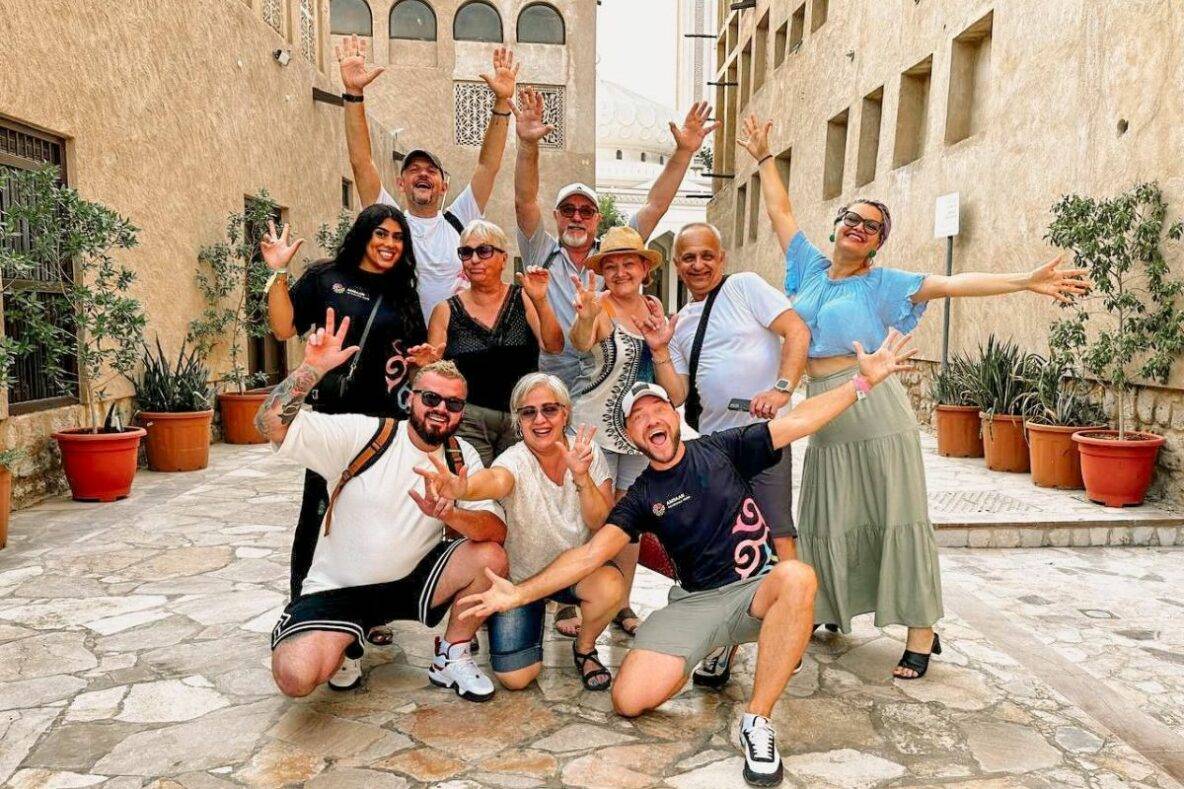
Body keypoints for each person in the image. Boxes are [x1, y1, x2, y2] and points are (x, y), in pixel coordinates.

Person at [457, 331, 918, 788]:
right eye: (637, 417)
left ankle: (756, 721)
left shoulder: (722, 448)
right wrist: (519, 592)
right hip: (695, 604)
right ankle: (714, 645)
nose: (651, 418)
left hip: (755, 592)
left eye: (658, 408)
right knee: (628, 699)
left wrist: (861, 383)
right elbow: (591, 553)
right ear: (631, 437)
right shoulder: (640, 497)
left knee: (796, 576)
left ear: (673, 416)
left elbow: (799, 421)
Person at [739, 114, 1089, 679]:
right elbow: (780, 212)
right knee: (830, 518)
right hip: (824, 414)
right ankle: (826, 608)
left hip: (875, 407)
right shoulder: (805, 266)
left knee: (897, 514)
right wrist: (763, 160)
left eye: (872, 226)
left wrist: (1023, 280)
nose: (858, 227)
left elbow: (954, 284)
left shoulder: (887, 283)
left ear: (879, 243)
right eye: (852, 218)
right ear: (837, 226)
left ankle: (921, 631)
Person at [257, 310, 508, 698]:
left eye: (454, 404)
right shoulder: (365, 433)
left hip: (408, 584)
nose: (442, 409)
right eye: (431, 398)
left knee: (490, 557)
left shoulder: (462, 457)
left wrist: (452, 510)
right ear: (412, 400)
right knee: (296, 677)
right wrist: (311, 369)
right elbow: (269, 424)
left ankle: (452, 654)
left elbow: (496, 532)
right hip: (339, 588)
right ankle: (347, 641)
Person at [640, 221, 810, 687]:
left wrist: (781, 389)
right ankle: (726, 644)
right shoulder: (681, 322)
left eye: (706, 256)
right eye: (688, 258)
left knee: (778, 533)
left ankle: (788, 634)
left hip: (762, 435)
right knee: (727, 546)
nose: (698, 265)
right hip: (715, 447)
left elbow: (796, 332)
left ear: (722, 257)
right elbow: (675, 392)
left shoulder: (747, 288)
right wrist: (659, 350)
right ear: (677, 265)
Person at [261, 205, 434, 600]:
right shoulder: (327, 277)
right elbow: (283, 327)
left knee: (374, 515)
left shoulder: (404, 294)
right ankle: (304, 604)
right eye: (381, 234)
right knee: (320, 514)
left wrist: (422, 364)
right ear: (363, 234)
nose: (389, 244)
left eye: (397, 237)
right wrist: (277, 273)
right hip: (334, 416)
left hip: (386, 421)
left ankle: (369, 611)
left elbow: (411, 362)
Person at [415, 373, 624, 691]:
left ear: (565, 412)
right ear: (518, 421)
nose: (539, 419)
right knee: (516, 678)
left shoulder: (586, 453)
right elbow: (496, 479)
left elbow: (600, 521)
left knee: (610, 584)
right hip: (520, 582)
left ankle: (584, 649)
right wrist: (465, 487)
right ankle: (514, 619)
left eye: (549, 409)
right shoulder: (514, 459)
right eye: (528, 412)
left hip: (573, 575)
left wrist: (581, 477)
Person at [513, 86, 719, 394]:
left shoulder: (612, 256)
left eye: (586, 210)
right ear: (556, 216)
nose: (577, 217)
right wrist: (528, 144)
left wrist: (684, 152)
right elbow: (525, 200)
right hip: (555, 381)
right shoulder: (540, 252)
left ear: (597, 219)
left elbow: (655, 205)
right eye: (568, 209)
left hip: (605, 380)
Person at [336, 35, 519, 322]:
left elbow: (487, 166)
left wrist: (502, 101)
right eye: (414, 169)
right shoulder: (390, 224)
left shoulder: (458, 221)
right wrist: (353, 93)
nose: (422, 173)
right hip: (400, 345)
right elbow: (361, 162)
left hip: (451, 344)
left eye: (431, 170)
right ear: (401, 183)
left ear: (443, 185)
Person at [566, 225, 665, 639]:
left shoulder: (654, 309)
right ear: (602, 271)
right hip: (593, 429)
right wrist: (586, 316)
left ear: (644, 267)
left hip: (638, 432)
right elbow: (581, 339)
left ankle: (622, 603)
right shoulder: (597, 306)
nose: (621, 271)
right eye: (612, 265)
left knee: (630, 522)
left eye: (629, 263)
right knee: (592, 516)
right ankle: (581, 600)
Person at [424, 220, 563, 466]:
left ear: (503, 259)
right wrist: (424, 365)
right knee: (475, 489)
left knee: (518, 489)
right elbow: (432, 375)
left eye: (484, 251)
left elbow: (554, 346)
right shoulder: (445, 310)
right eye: (466, 252)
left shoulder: (524, 298)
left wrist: (541, 301)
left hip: (523, 415)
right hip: (469, 419)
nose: (474, 259)